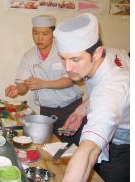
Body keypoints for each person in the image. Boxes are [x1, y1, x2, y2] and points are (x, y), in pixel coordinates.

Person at [53, 13, 130, 181]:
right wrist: (81, 110)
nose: (68, 68)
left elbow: (88, 153)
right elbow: (99, 90)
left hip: (126, 141)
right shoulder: (107, 54)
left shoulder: (110, 89)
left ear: (96, 53)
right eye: (63, 58)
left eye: (75, 59)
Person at [5, 15, 84, 144]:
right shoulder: (29, 56)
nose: (39, 38)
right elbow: (23, 85)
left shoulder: (64, 50)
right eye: (35, 33)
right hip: (47, 112)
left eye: (44, 34)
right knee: (49, 148)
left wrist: (43, 84)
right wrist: (16, 89)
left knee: (70, 150)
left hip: (71, 110)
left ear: (53, 33)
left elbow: (71, 80)